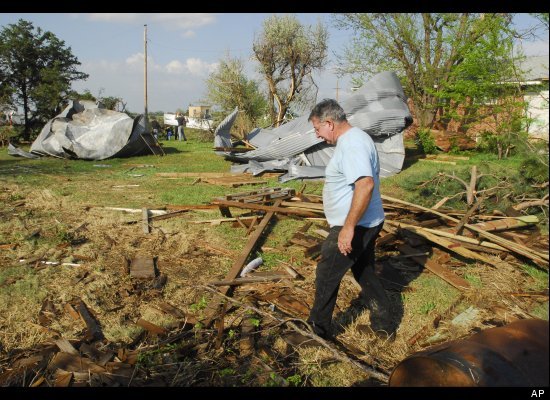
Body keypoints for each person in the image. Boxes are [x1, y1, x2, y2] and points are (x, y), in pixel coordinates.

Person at [306, 98, 393, 342]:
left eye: (317, 129)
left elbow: (364, 185)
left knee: (326, 274)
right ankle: (384, 325)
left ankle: (317, 332)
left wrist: (348, 228)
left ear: (329, 123)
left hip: (358, 224)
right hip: (365, 221)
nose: (318, 135)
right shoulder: (353, 140)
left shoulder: (353, 143)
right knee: (364, 271)